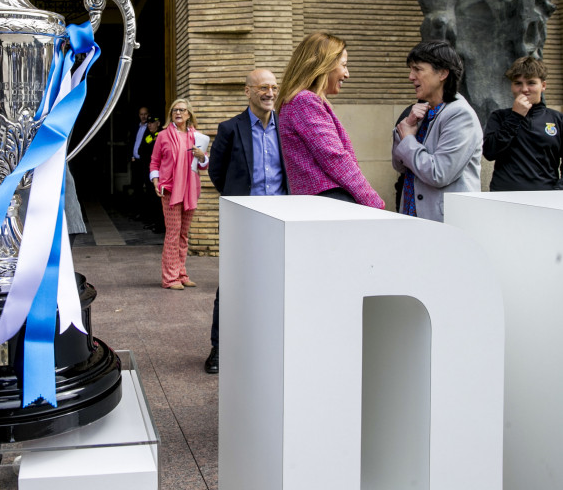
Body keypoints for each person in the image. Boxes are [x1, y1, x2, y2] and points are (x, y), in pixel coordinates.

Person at [204, 68, 288, 374]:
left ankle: (269, 344)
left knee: (278, 282)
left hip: (282, 218)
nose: (270, 93)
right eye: (263, 87)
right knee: (230, 285)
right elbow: (217, 172)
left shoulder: (286, 127)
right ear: (248, 91)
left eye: (274, 87)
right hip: (245, 219)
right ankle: (219, 348)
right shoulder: (230, 128)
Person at [275, 32, 384, 208]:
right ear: (324, 65)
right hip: (329, 203)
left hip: (322, 203)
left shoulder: (300, 101)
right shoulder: (304, 101)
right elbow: (334, 157)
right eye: (344, 65)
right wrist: (372, 200)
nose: (347, 74)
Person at [392, 40, 482, 221]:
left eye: (418, 69)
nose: (411, 76)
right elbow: (399, 165)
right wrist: (404, 128)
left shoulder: (460, 115)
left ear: (442, 73)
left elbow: (439, 174)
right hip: (413, 216)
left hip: (445, 221)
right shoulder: (424, 111)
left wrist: (408, 139)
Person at [149, 98, 208, 290]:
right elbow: (154, 161)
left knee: (184, 234)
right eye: (175, 110)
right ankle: (170, 278)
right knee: (173, 234)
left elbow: (203, 165)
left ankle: (182, 274)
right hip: (170, 190)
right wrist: (155, 180)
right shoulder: (163, 136)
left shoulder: (197, 137)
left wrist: (203, 157)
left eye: (182, 110)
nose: (178, 113)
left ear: (189, 114)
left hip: (190, 190)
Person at [483, 56, 563, 191]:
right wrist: (515, 116)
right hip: (504, 197)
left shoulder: (557, 119)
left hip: (545, 198)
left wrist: (558, 190)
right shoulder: (499, 117)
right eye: (518, 83)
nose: (524, 89)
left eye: (531, 83)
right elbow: (490, 152)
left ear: (543, 85)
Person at [137, 117, 164, 232]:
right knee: (150, 198)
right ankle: (153, 222)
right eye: (148, 123)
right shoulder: (148, 136)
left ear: (158, 123)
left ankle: (160, 225)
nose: (149, 125)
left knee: (158, 200)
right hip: (148, 171)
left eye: (152, 123)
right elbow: (140, 151)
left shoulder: (161, 135)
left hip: (159, 174)